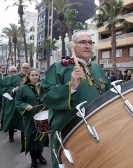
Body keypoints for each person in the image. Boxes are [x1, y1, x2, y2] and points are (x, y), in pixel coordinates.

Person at [39, 32, 111, 168]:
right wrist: (71, 87)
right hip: (67, 131)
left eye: (90, 42)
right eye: (83, 42)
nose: (87, 46)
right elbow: (46, 96)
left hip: (96, 129)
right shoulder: (59, 67)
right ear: (72, 46)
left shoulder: (96, 68)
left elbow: (107, 93)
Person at [15, 68, 48, 168]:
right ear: (28, 76)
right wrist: (25, 106)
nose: (34, 77)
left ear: (39, 76)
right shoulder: (23, 88)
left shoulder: (43, 86)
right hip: (30, 118)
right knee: (31, 137)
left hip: (42, 117)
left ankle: (39, 155)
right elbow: (18, 102)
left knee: (41, 137)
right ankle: (33, 157)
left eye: (36, 75)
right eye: (32, 75)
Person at [3, 63, 30, 143]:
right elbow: (6, 88)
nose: (25, 69)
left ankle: (23, 139)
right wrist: (14, 89)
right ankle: (11, 136)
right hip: (13, 101)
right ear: (20, 68)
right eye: (24, 67)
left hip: (24, 102)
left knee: (23, 120)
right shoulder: (14, 77)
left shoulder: (30, 77)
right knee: (12, 118)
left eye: (27, 68)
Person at [0, 66, 17, 134]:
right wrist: (2, 93)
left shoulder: (17, 78)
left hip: (14, 97)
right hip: (6, 96)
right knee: (4, 111)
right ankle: (3, 125)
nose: (14, 73)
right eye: (12, 71)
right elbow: (3, 87)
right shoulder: (6, 78)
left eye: (15, 71)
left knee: (13, 113)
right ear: (9, 72)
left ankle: (13, 126)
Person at [0, 65, 8, 130]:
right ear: (0, 68)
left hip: (4, 95)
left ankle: (3, 124)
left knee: (4, 110)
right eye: (2, 68)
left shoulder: (7, 76)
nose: (3, 69)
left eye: (4, 68)